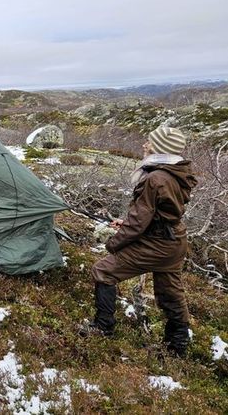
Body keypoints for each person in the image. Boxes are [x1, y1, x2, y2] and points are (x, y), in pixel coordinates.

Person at [82, 125, 198, 356]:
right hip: (174, 241)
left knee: (103, 271)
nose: (145, 144)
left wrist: (114, 243)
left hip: (157, 244)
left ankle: (103, 327)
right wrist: (127, 223)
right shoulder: (175, 173)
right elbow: (159, 214)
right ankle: (177, 346)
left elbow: (138, 223)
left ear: (160, 148)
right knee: (170, 292)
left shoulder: (155, 178)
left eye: (149, 141)